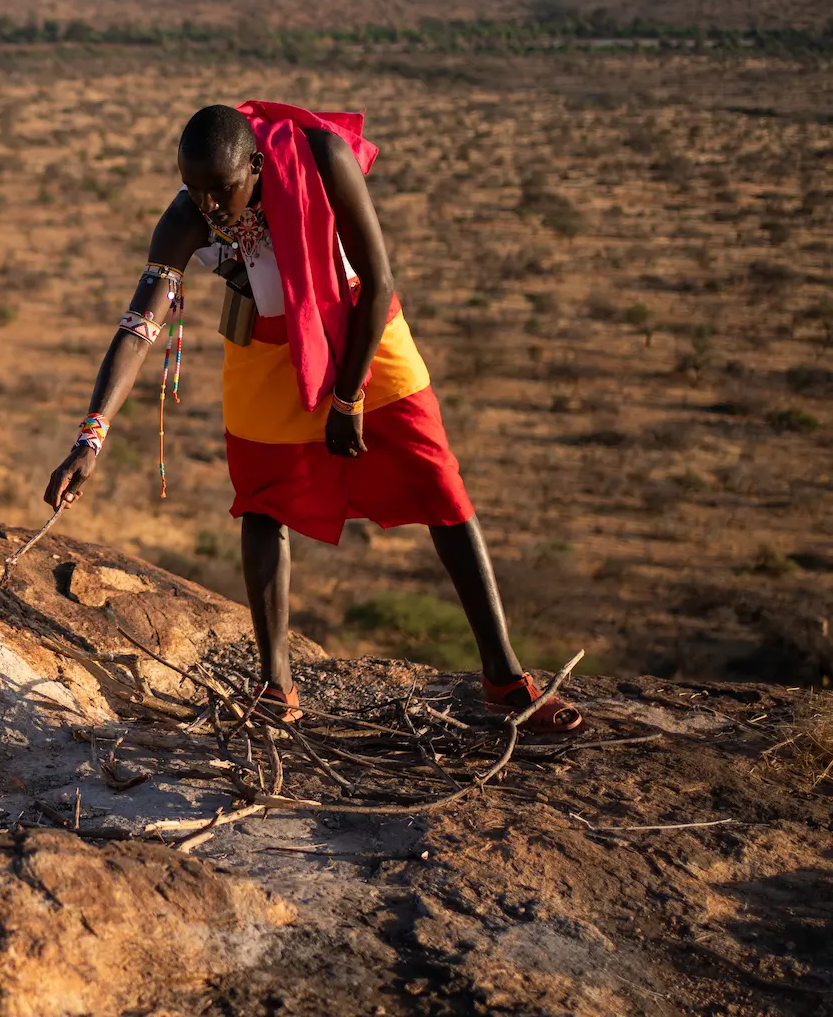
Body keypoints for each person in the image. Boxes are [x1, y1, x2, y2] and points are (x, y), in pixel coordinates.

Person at [44, 102, 581, 732]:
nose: (211, 206)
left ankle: (504, 677)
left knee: (441, 486)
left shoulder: (323, 159)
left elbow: (379, 279)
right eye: (195, 189)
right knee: (263, 502)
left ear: (257, 164)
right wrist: (91, 438)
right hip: (264, 350)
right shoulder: (188, 217)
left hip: (363, 331)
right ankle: (276, 688)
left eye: (223, 189)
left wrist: (348, 396)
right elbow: (139, 327)